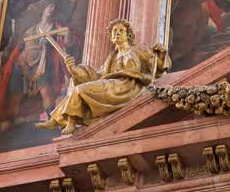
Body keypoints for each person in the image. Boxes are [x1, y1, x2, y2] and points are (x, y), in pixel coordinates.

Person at [37, 19, 170, 134]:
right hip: (112, 86)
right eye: (114, 31)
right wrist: (74, 69)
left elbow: (157, 68)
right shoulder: (111, 58)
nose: (117, 33)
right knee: (80, 86)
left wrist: (162, 54)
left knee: (81, 90)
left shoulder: (138, 50)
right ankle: (61, 120)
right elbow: (97, 75)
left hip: (127, 86)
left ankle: (64, 121)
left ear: (128, 35)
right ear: (112, 38)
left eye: (121, 31)